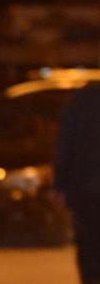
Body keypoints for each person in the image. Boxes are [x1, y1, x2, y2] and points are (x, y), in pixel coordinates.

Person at [54, 82, 100, 284]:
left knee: (89, 252)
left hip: (86, 190)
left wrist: (59, 185)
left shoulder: (82, 99)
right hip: (87, 189)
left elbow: (65, 143)